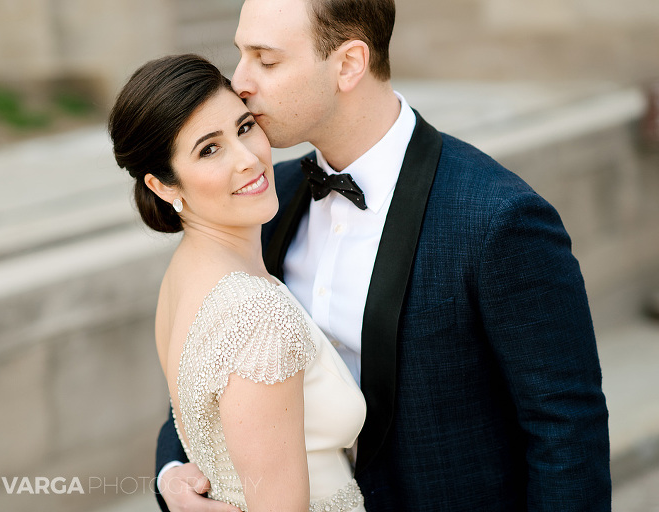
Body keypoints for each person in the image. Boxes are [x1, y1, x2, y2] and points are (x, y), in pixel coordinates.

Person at [155, 0, 612, 511]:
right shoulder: (265, 200)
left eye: (266, 60)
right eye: (241, 54)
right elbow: (213, 362)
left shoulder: (497, 219)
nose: (239, 82)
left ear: (349, 63)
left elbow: (567, 430)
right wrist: (174, 475)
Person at [109, 54, 367, 511]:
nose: (248, 160)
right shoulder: (253, 313)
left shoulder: (184, 274)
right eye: (209, 149)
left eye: (245, 127)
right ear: (164, 186)